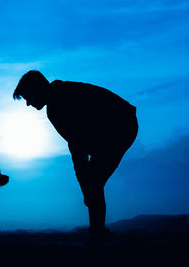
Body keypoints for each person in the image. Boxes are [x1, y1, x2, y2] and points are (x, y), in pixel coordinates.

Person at [13, 70, 138, 248]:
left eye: (28, 97)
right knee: (93, 186)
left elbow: (77, 149)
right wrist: (86, 187)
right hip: (113, 127)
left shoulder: (58, 104)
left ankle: (97, 240)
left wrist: (86, 188)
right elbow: (79, 147)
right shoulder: (59, 95)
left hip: (120, 125)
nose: (27, 104)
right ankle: (98, 236)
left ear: (37, 89)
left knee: (93, 185)